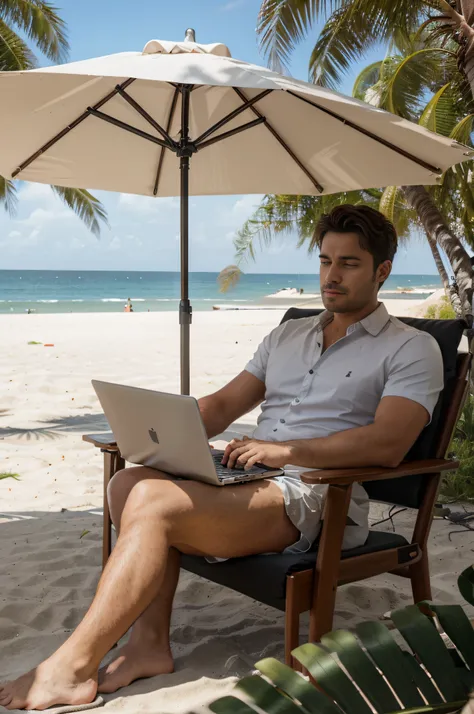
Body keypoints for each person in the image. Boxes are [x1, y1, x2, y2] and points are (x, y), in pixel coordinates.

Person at [0, 205, 444, 710]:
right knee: (129, 483)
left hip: (319, 494)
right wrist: (156, 427)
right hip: (254, 477)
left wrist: (285, 450)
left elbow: (388, 442)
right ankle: (148, 646)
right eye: (325, 261)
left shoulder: (411, 348)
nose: (332, 275)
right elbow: (221, 407)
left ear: (382, 271)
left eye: (349, 263)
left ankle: (73, 666)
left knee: (155, 503)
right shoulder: (288, 335)